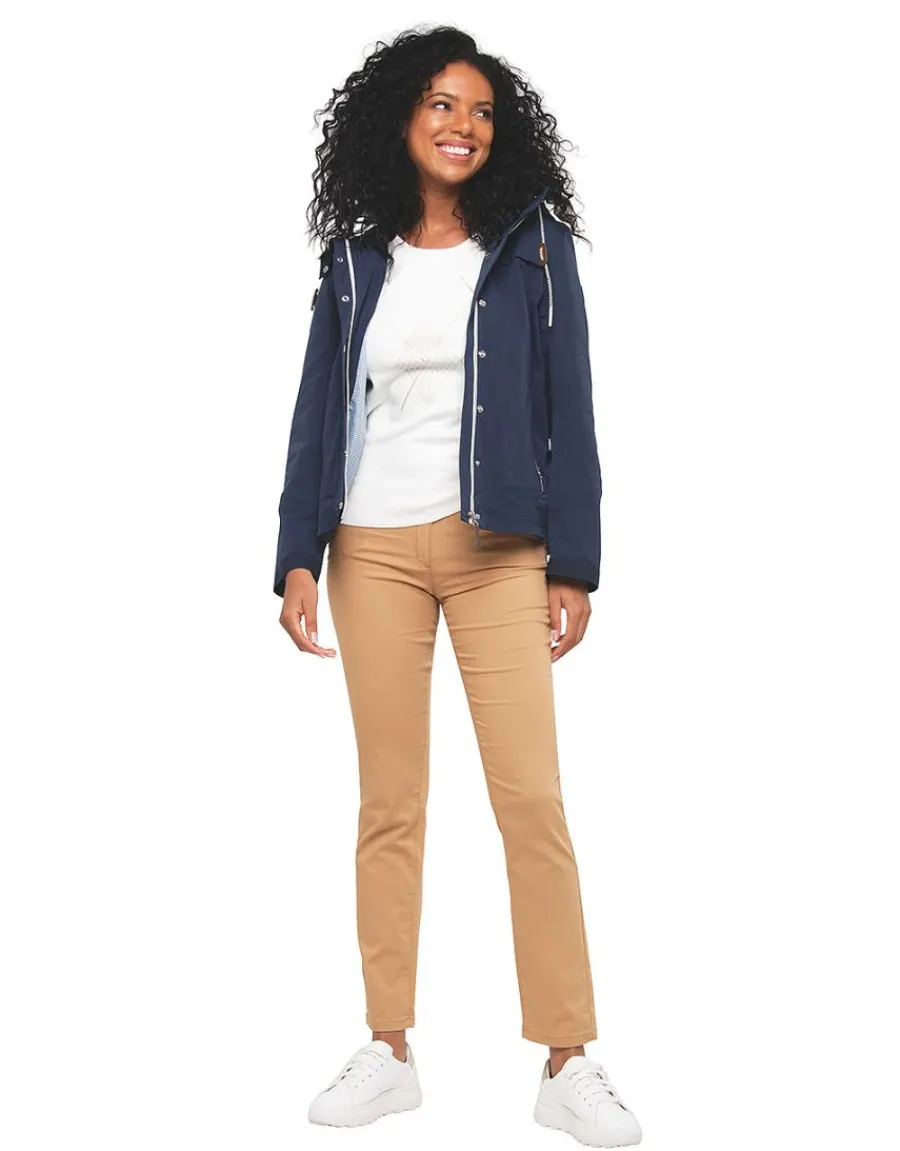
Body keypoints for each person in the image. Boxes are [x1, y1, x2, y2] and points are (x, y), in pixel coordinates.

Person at [274, 25, 641, 1149]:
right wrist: (297, 552)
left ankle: (567, 1058)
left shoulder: (533, 246)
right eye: (441, 104)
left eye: (480, 110)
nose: (462, 125)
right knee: (390, 802)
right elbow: (317, 408)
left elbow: (571, 403)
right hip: (371, 548)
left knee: (530, 796)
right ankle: (388, 1048)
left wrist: (573, 560)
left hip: (501, 550)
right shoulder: (355, 259)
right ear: (402, 118)